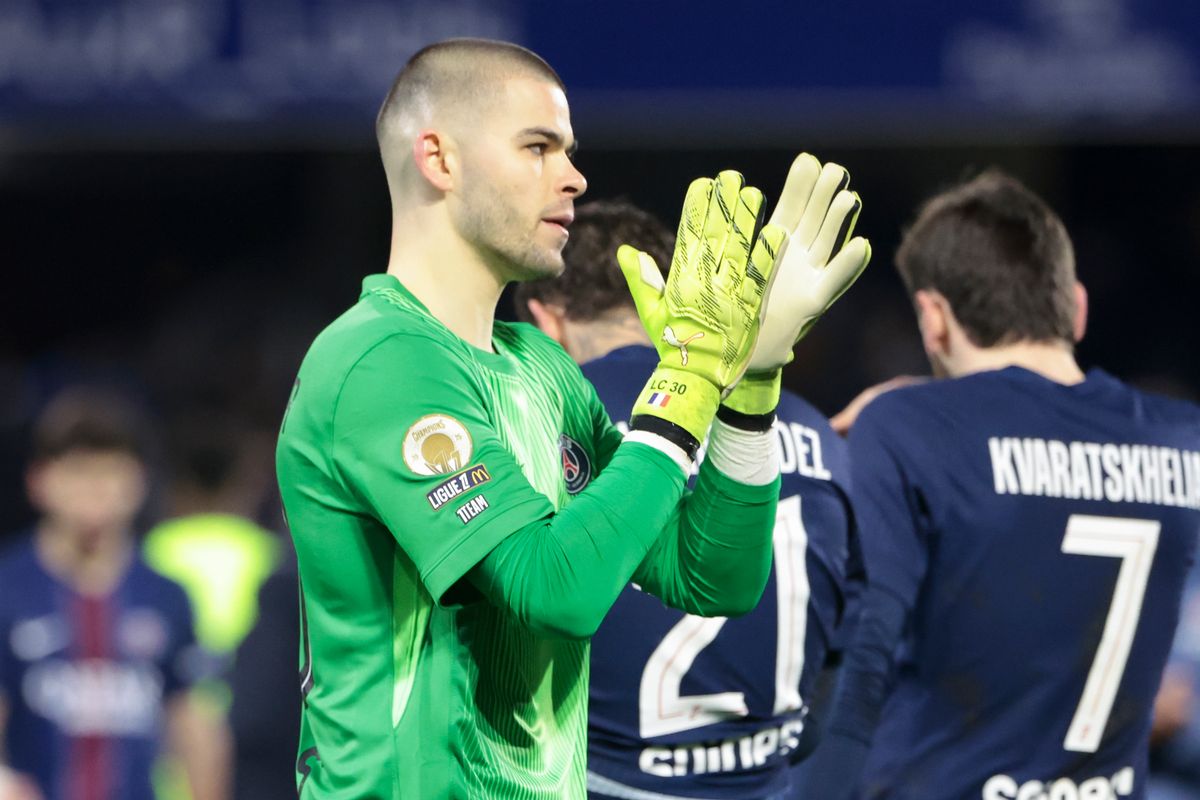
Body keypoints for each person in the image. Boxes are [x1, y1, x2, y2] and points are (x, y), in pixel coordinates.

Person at [274, 38, 870, 799]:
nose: (574, 177)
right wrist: (690, 374)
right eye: (538, 147)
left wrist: (748, 387)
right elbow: (553, 590)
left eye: (569, 151)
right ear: (439, 159)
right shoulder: (380, 360)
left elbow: (711, 575)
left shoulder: (541, 367)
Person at [796, 170, 1200, 800]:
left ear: (933, 319)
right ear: (1076, 308)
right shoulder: (1181, 439)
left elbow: (858, 666)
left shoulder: (907, 427)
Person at [515, 199, 862, 800]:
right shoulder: (815, 430)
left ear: (548, 321)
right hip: (768, 781)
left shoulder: (550, 419)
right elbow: (844, 659)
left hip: (601, 781)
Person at [0, 388, 230, 800]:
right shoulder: (8, 589)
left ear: (138, 481)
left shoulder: (165, 595)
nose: (95, 490)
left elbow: (194, 728)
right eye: (79, 472)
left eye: (109, 472)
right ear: (39, 481)